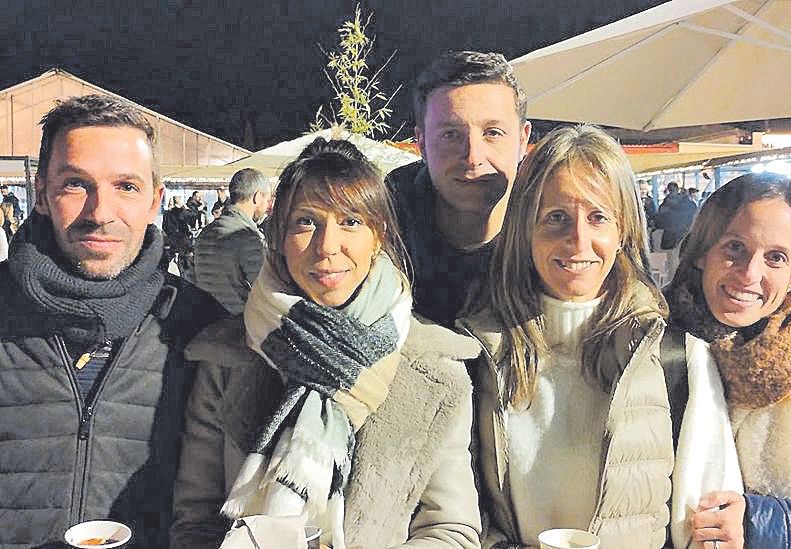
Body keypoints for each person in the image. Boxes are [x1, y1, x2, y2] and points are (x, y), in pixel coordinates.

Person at [171, 138, 481, 549]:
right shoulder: (228, 358)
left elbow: (451, 530)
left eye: (350, 221)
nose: (327, 246)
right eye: (306, 222)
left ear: (379, 236)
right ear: (279, 237)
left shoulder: (437, 370)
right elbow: (195, 520)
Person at [0, 94, 226, 549]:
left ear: (154, 200)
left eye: (126, 186)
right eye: (75, 184)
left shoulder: (203, 328)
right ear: (41, 193)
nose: (100, 213)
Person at [458, 125, 673, 548]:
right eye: (556, 217)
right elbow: (461, 507)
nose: (578, 241)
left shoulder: (668, 352)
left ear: (623, 229)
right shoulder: (474, 352)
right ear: (525, 229)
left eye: (598, 217)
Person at [665, 172, 791, 548]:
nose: (749, 274)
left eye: (775, 257)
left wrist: (760, 524)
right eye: (734, 248)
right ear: (701, 253)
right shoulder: (654, 352)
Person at [386, 50, 532, 327]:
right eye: (451, 135)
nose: (473, 156)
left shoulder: (556, 220)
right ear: (422, 143)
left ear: (523, 140)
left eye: (493, 133)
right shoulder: (381, 222)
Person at [193, 168, 272, 314]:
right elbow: (265, 289)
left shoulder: (205, 233)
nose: (267, 207)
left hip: (206, 324)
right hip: (238, 325)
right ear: (257, 197)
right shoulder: (247, 236)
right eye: (267, 200)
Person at [655, 181, 697, 249]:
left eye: (672, 190)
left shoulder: (665, 206)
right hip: (679, 238)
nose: (671, 192)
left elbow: (659, 222)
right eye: (670, 190)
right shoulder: (689, 203)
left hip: (676, 238)